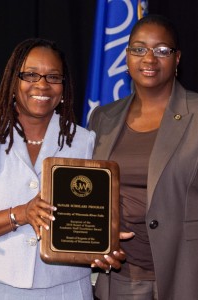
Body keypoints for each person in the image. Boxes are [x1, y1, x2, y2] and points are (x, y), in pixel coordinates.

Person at [0, 38, 98, 300]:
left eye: (53, 77)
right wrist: (20, 213)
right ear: (12, 82)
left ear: (64, 88)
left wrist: (104, 242)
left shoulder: (85, 141)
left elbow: (93, 218)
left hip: (69, 289)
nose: (42, 85)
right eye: (30, 75)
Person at [89, 14, 198, 300]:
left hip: (186, 272)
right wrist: (93, 241)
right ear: (127, 57)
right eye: (139, 49)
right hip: (121, 275)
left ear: (177, 59)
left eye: (162, 50)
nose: (149, 58)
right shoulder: (103, 118)